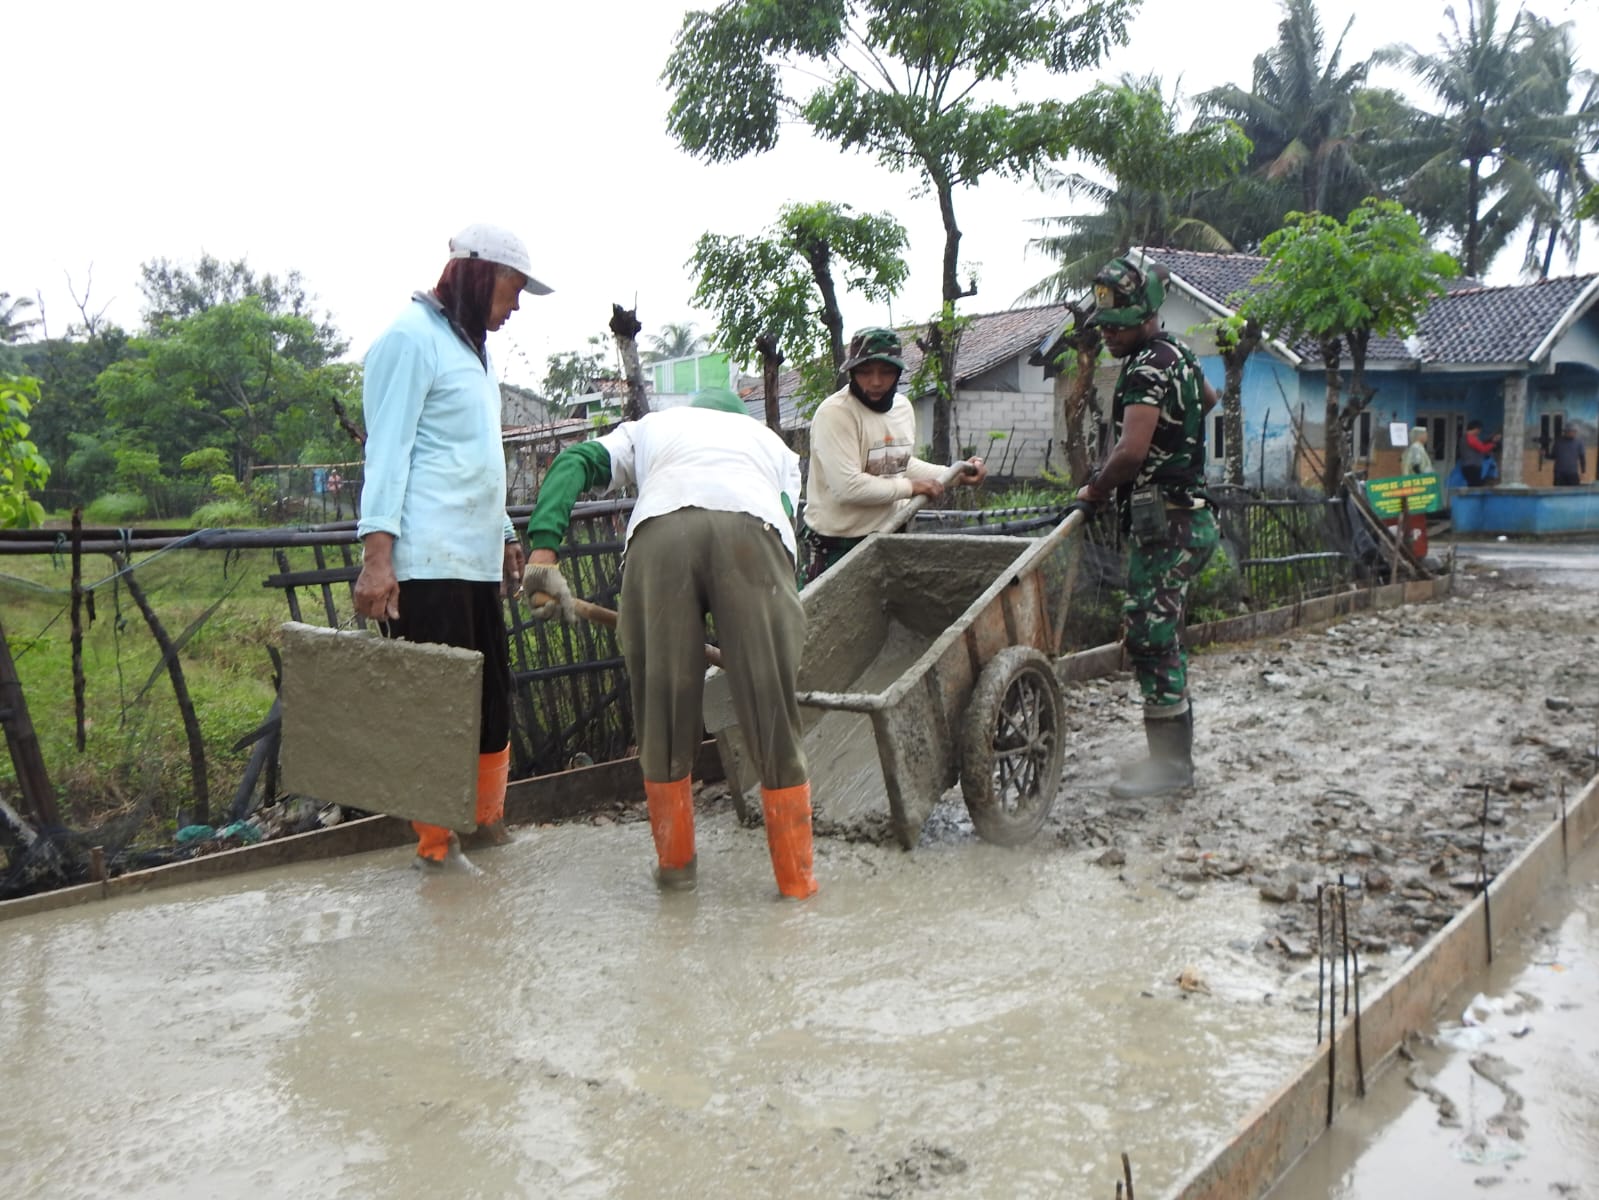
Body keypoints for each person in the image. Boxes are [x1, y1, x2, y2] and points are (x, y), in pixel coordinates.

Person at [521, 388, 816, 899]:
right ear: (736, 418)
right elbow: (785, 524)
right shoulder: (772, 444)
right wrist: (766, 641)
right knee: (773, 714)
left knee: (663, 713)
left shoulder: (651, 427)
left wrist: (544, 553)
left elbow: (573, 462)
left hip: (660, 535)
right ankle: (797, 885)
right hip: (753, 530)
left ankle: (676, 873)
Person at [353, 223, 551, 868]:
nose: (516, 306)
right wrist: (377, 560)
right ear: (479, 275)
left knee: (493, 698)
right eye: (513, 289)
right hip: (427, 561)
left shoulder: (470, 350)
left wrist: (503, 535)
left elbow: (474, 455)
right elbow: (387, 455)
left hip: (470, 560)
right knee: (441, 710)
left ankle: (486, 824)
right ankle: (438, 847)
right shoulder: (409, 341)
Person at [1072, 256, 1219, 800]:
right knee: (1161, 636)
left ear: (1146, 316)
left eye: (1117, 326)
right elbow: (1209, 400)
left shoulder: (1145, 368)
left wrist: (1094, 490)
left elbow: (1130, 452)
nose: (1108, 335)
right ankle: (1171, 762)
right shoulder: (1177, 353)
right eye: (1103, 326)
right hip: (1191, 515)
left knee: (1152, 638)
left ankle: (1171, 770)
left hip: (1169, 525)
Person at [796, 327, 988, 584]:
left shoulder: (902, 408)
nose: (876, 381)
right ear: (852, 371)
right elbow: (848, 487)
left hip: (888, 537)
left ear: (898, 372)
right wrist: (911, 488)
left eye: (886, 372)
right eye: (865, 371)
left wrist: (955, 475)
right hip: (837, 545)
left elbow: (898, 464)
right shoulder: (836, 414)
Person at [1460, 421, 1500, 487]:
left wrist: (1491, 441)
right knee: (1476, 487)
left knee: (1472, 485)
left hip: (1467, 466)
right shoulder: (1471, 438)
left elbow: (1479, 446)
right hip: (1472, 466)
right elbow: (1482, 449)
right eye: (1479, 430)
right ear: (1476, 429)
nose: (1479, 432)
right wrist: (1492, 445)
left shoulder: (1464, 438)